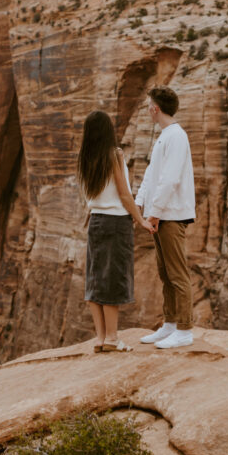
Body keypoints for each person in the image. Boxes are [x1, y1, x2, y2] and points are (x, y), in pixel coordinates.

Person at [78, 110, 153, 353]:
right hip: (115, 222)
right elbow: (123, 193)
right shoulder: (114, 155)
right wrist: (139, 218)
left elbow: (92, 194)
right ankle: (112, 338)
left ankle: (100, 338)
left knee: (95, 278)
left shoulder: (85, 156)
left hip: (96, 221)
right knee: (112, 279)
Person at [135, 86, 196, 349]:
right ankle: (170, 324)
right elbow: (152, 173)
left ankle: (184, 330)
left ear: (155, 108)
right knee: (165, 272)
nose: (147, 108)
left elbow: (170, 179)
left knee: (177, 273)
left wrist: (155, 213)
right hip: (160, 214)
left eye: (149, 104)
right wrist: (140, 203)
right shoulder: (165, 136)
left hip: (170, 215)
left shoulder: (176, 136)